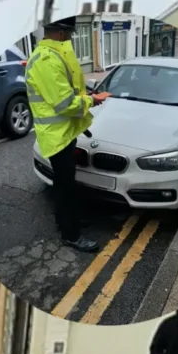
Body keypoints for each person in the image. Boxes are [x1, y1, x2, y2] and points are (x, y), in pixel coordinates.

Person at [27, 16, 109, 253]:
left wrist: (87, 95)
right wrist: (92, 100)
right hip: (57, 135)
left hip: (62, 132)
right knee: (65, 187)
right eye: (72, 33)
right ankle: (70, 234)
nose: (72, 38)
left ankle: (69, 219)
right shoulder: (47, 60)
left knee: (66, 184)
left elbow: (65, 92)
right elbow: (64, 104)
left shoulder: (49, 55)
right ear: (62, 33)